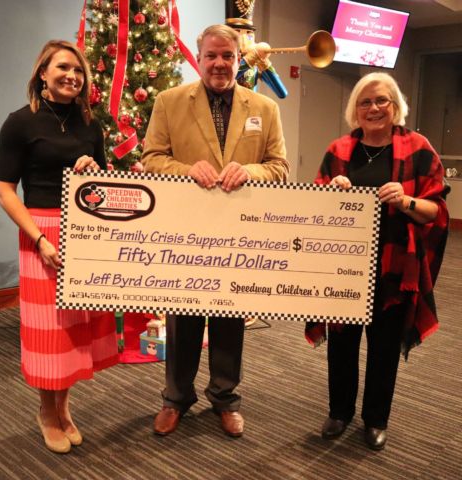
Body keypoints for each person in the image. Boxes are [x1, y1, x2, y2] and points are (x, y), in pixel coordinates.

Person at [142, 24, 288, 437]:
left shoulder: (265, 107)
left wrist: (251, 171)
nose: (220, 64)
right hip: (185, 236)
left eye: (228, 56)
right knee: (182, 319)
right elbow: (152, 158)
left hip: (239, 237)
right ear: (199, 58)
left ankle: (225, 399)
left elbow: (279, 167)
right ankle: (176, 399)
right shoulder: (169, 102)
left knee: (229, 321)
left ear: (239, 59)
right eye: (212, 56)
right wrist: (189, 171)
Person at [305, 72, 449, 450]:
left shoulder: (419, 147)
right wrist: (331, 195)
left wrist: (405, 200)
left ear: (395, 105)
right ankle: (340, 412)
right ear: (356, 109)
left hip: (394, 267)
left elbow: (436, 212)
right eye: (365, 102)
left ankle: (375, 419)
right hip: (343, 267)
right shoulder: (338, 150)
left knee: (384, 347)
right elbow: (311, 207)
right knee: (341, 343)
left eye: (382, 100)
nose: (374, 108)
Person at [0, 40, 118, 454]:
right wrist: (40, 238)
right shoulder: (20, 123)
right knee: (48, 333)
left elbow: (105, 185)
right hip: (40, 232)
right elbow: (6, 192)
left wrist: (94, 169)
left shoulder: (89, 123)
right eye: (63, 68)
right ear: (43, 73)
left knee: (73, 329)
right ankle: (46, 413)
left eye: (79, 70)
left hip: (82, 233)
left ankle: (64, 410)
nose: (72, 76)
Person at [225, 0, 288, 99]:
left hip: (250, 110)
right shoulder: (223, 59)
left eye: (249, 34)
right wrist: (251, 57)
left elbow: (282, 92)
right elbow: (226, 80)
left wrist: (264, 62)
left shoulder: (255, 62)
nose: (244, 39)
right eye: (237, 33)